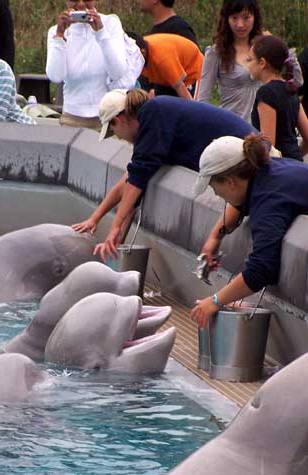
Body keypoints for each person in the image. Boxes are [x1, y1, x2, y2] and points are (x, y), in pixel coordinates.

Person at [72, 88, 254, 261]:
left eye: (114, 132)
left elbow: (136, 181)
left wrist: (115, 227)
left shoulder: (154, 114)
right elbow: (129, 182)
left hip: (251, 158)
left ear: (117, 120)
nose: (119, 137)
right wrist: (95, 219)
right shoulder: (155, 126)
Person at [190, 133, 308, 329]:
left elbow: (262, 269)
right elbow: (240, 202)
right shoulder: (268, 171)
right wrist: (215, 237)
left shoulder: (268, 199)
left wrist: (216, 301)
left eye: (213, 187)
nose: (217, 195)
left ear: (230, 182)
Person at [46, 0, 135, 129]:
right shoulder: (55, 31)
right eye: (74, 0)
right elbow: (56, 76)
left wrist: (101, 33)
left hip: (109, 115)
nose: (81, 5)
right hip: (73, 116)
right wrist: (59, 36)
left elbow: (117, 72)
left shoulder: (111, 24)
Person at [197, 0, 263, 122]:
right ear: (226, 19)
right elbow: (203, 99)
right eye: (234, 18)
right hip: (232, 129)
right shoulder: (215, 52)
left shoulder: (264, 47)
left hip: (263, 131)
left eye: (246, 18)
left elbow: (292, 82)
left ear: (255, 17)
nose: (240, 24)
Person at [248, 35, 308, 161]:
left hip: (279, 169)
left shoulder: (266, 93)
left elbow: (269, 146)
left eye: (250, 60)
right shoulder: (291, 89)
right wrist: (295, 157)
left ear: (262, 63)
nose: (248, 65)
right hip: (297, 166)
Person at [128, 32, 203, 99]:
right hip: (166, 77)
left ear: (143, 52)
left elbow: (181, 88)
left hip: (192, 70)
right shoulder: (138, 52)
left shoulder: (162, 59)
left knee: (189, 108)